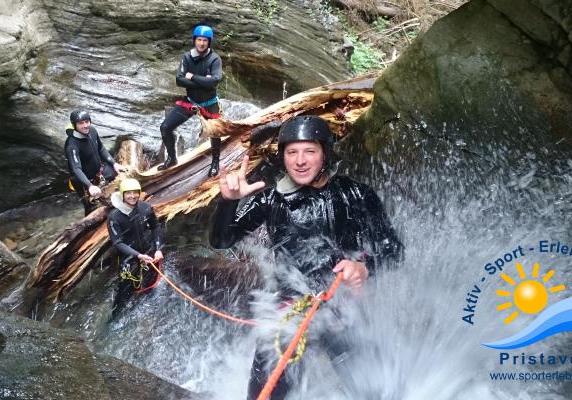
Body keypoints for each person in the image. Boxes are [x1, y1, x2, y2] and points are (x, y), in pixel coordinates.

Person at [209, 115, 403, 400]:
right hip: (289, 308)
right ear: (283, 157)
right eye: (292, 152)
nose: (300, 161)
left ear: (324, 152)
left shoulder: (356, 195)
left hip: (340, 306)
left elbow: (394, 250)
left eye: (309, 151)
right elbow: (221, 240)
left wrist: (364, 267)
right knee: (265, 392)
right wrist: (228, 202)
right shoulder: (272, 199)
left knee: (373, 390)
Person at [157, 23, 224, 177]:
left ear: (209, 42)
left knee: (215, 133)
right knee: (165, 127)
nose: (201, 43)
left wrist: (192, 76)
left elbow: (214, 81)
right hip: (191, 101)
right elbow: (179, 80)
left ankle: (215, 162)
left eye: (205, 40)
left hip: (209, 103)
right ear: (194, 40)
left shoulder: (214, 59)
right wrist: (203, 81)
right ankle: (172, 158)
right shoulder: (187, 57)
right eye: (199, 40)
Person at [107, 178, 165, 314]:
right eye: (128, 193)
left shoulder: (145, 207)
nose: (132, 196)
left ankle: (150, 309)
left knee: (151, 283)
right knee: (124, 294)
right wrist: (138, 255)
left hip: (149, 252)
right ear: (122, 194)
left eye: (135, 193)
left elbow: (155, 226)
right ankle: (115, 318)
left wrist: (158, 249)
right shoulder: (114, 217)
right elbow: (117, 243)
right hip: (128, 258)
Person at [64, 109, 128, 215]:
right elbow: (76, 169)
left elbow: (101, 149)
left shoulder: (92, 131)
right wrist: (89, 186)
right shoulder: (72, 145)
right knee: (91, 208)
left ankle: (120, 209)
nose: (85, 125)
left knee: (119, 178)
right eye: (81, 123)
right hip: (83, 181)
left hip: (98, 172)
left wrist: (114, 164)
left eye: (87, 121)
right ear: (74, 125)